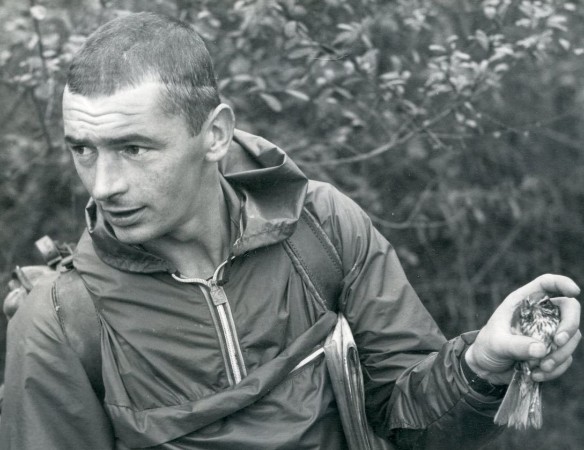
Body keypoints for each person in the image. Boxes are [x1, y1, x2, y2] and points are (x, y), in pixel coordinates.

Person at [0, 12, 581, 450]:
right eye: (83, 149)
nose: (103, 185)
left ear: (216, 135)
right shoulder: (59, 319)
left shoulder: (320, 227)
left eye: (133, 148)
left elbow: (409, 419)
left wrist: (483, 361)